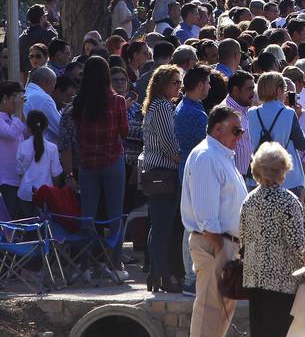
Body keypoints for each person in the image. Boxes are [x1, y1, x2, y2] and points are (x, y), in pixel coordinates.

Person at [179, 105, 246, 337]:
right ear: (218, 129)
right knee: (209, 310)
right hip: (215, 243)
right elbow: (206, 216)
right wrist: (221, 251)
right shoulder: (207, 156)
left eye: (241, 132)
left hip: (225, 243)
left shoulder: (221, 155)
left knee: (220, 311)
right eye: (236, 131)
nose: (240, 137)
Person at [64, 55, 130, 279]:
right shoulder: (118, 101)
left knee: (87, 216)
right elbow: (124, 132)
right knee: (115, 215)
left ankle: (85, 265)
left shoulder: (79, 103)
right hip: (113, 160)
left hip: (87, 164)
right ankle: (116, 264)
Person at [240, 140, 305, 334]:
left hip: (254, 279)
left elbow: (243, 240)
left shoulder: (249, 200)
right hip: (282, 282)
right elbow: (299, 244)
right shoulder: (288, 201)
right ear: (282, 169)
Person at [139, 63, 183, 292]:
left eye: (180, 82)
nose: (179, 86)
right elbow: (169, 145)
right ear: (162, 84)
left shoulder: (155, 106)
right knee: (163, 228)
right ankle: (163, 275)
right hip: (164, 173)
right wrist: (184, 163)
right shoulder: (163, 107)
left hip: (157, 172)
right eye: (175, 82)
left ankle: (156, 274)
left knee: (158, 227)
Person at [0, 80, 29, 216]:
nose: (19, 102)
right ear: (5, 98)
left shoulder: (14, 119)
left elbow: (27, 134)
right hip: (2, 179)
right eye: (16, 97)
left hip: (17, 178)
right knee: (4, 225)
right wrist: (19, 110)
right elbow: (11, 134)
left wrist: (20, 110)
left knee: (16, 223)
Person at [15, 109, 62, 206]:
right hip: (46, 194)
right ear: (46, 127)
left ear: (28, 127)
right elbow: (56, 174)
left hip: (25, 192)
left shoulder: (22, 146)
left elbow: (20, 172)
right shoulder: (52, 148)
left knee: (27, 220)